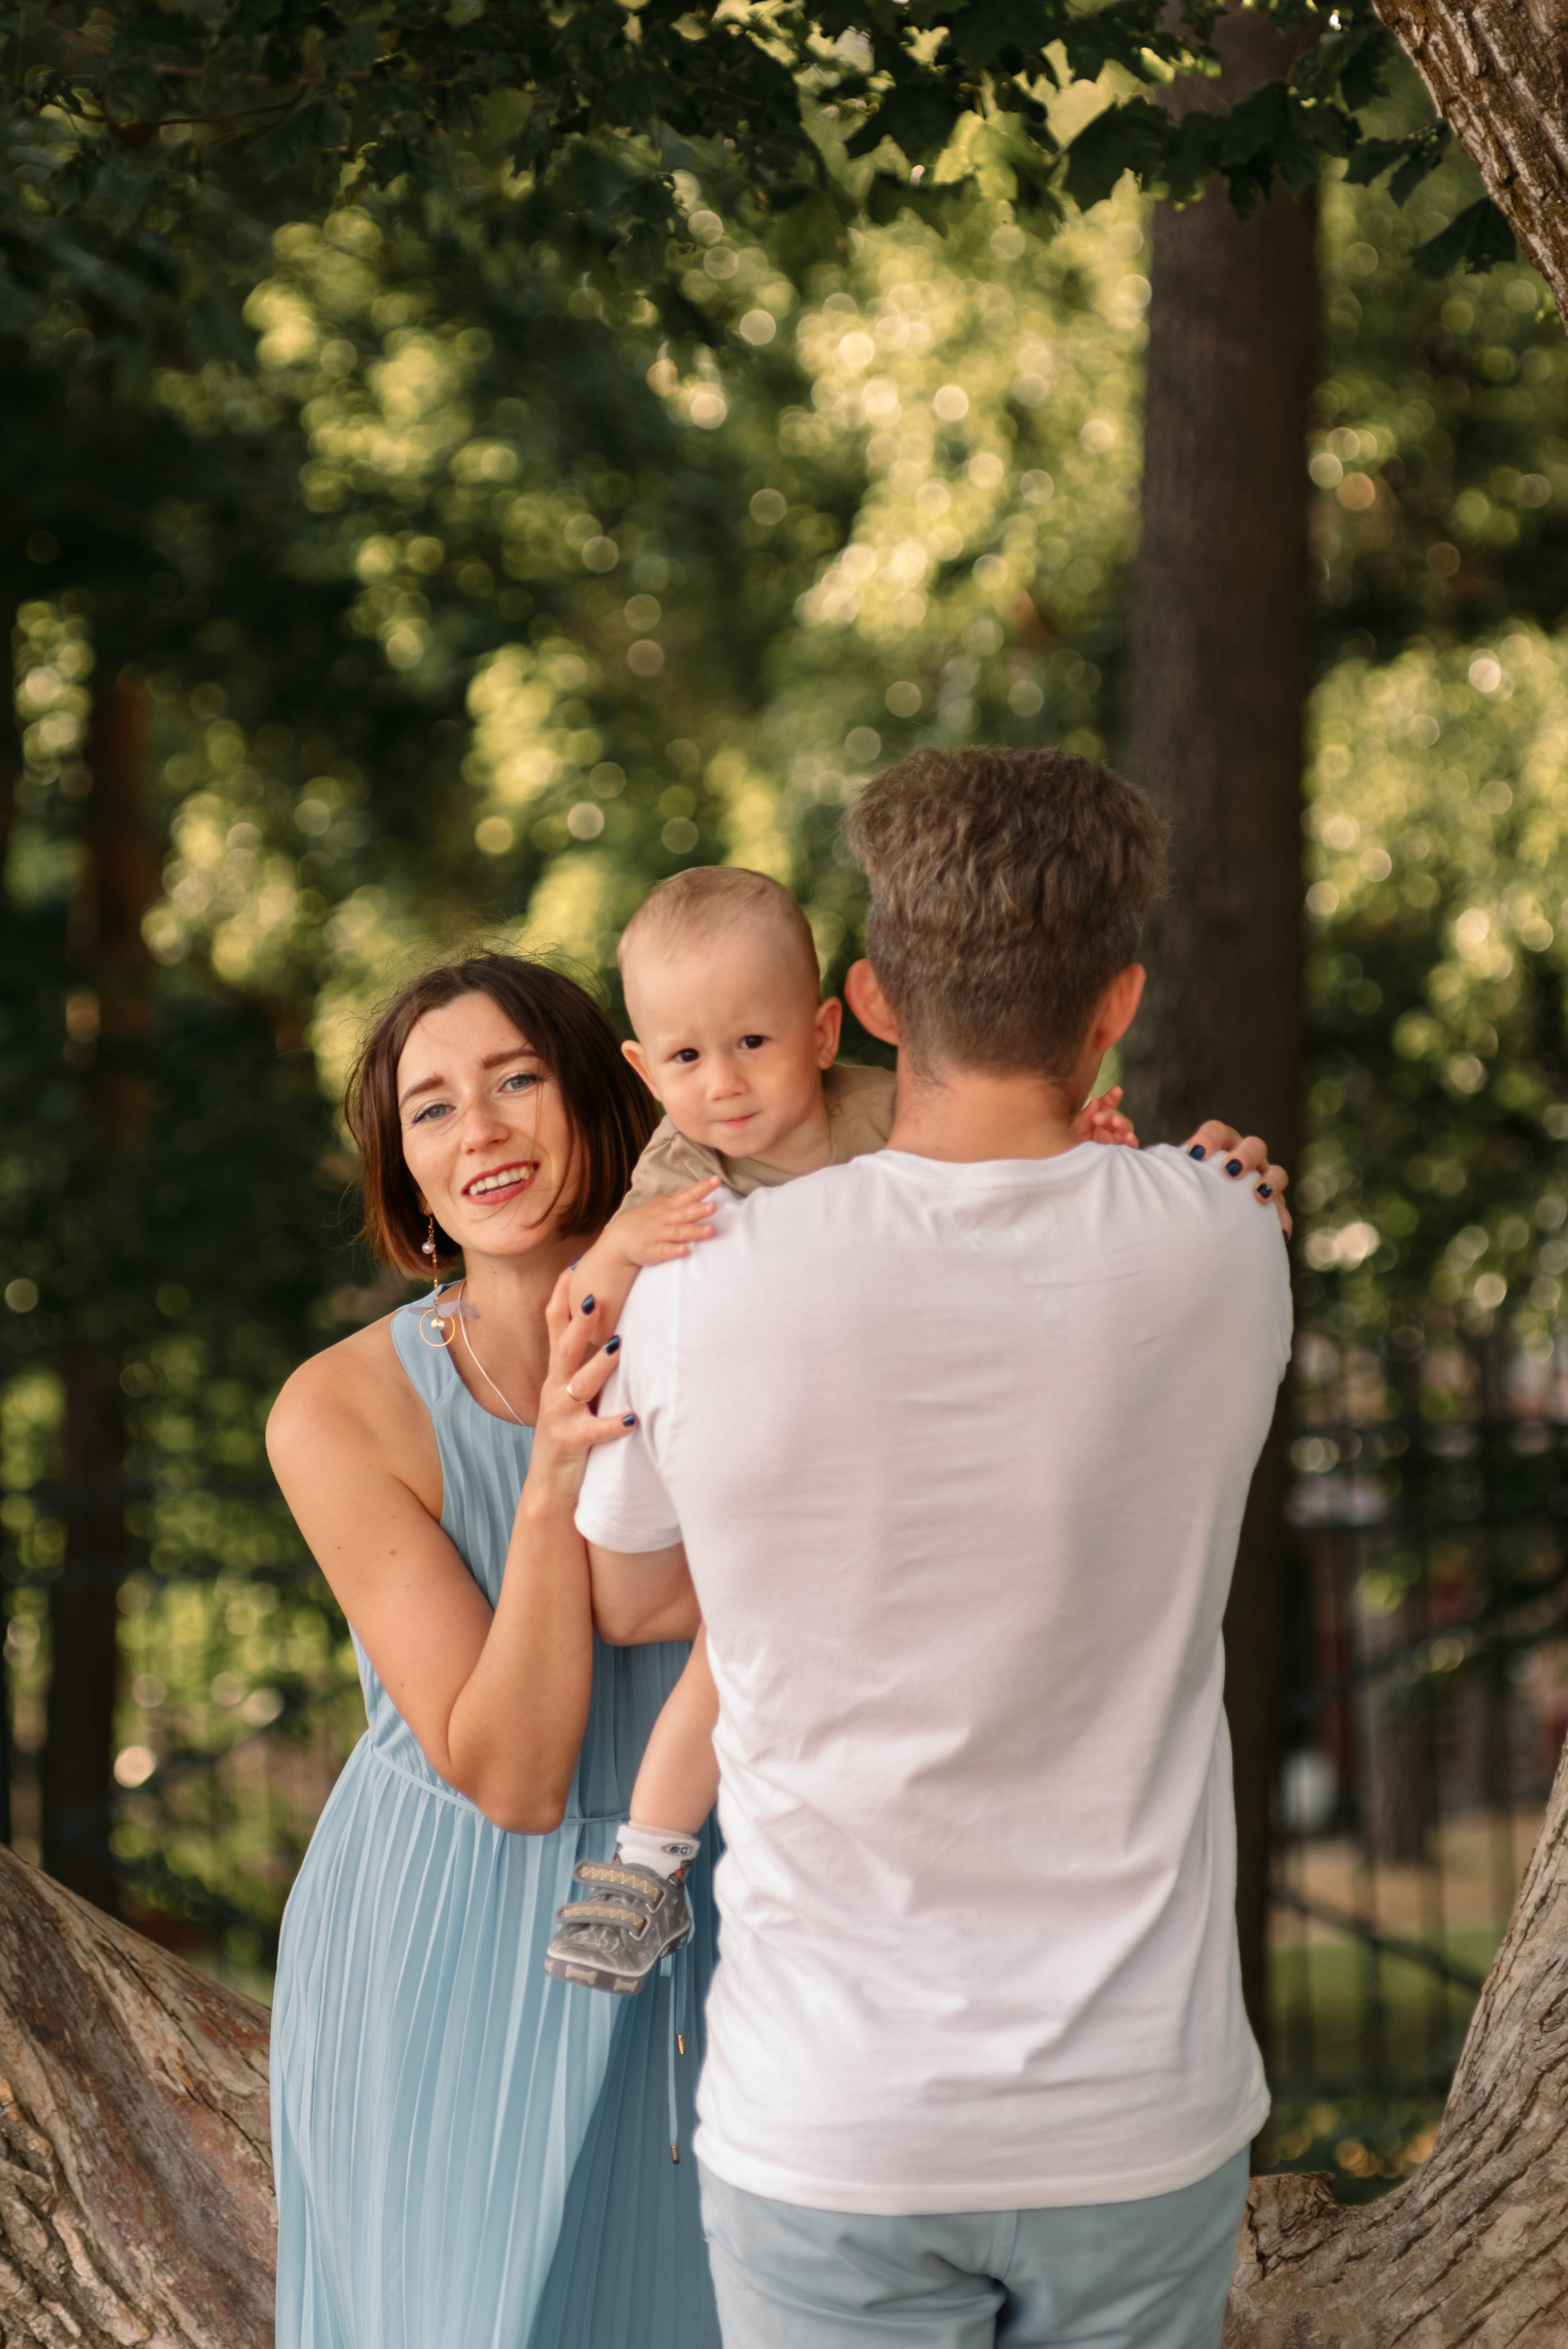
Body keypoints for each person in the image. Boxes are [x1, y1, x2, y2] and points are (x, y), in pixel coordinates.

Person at [576, 746, 1294, 2349]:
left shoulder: (700, 1280)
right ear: (1118, 1004)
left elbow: (627, 1594)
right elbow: (1178, 1215)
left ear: (871, 1001)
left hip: (829, 2113)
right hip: (1140, 2103)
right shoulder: (1229, 1240)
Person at [548, 862, 1144, 1994]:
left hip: (916, 1436)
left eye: (753, 1043)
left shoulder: (894, 1113)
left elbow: (1018, 1189)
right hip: (794, 1474)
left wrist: (1091, 1145)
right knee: (730, 1648)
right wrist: (619, 1253)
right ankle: (648, 1862)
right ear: (642, 1067)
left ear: (823, 1030)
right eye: (684, 1057)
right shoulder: (678, 1173)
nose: (721, 1082)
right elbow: (578, 1320)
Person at [265, 953, 721, 2349]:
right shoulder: (338, 1410)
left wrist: (1149, 1168)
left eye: (518, 1078)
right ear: (402, 1176)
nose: (484, 1132)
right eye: (433, 1108)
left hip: (714, 1900)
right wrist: (547, 1481)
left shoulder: (738, 1309)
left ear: (597, 1091)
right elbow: (515, 1777)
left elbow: (872, 1112)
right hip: (446, 1932)